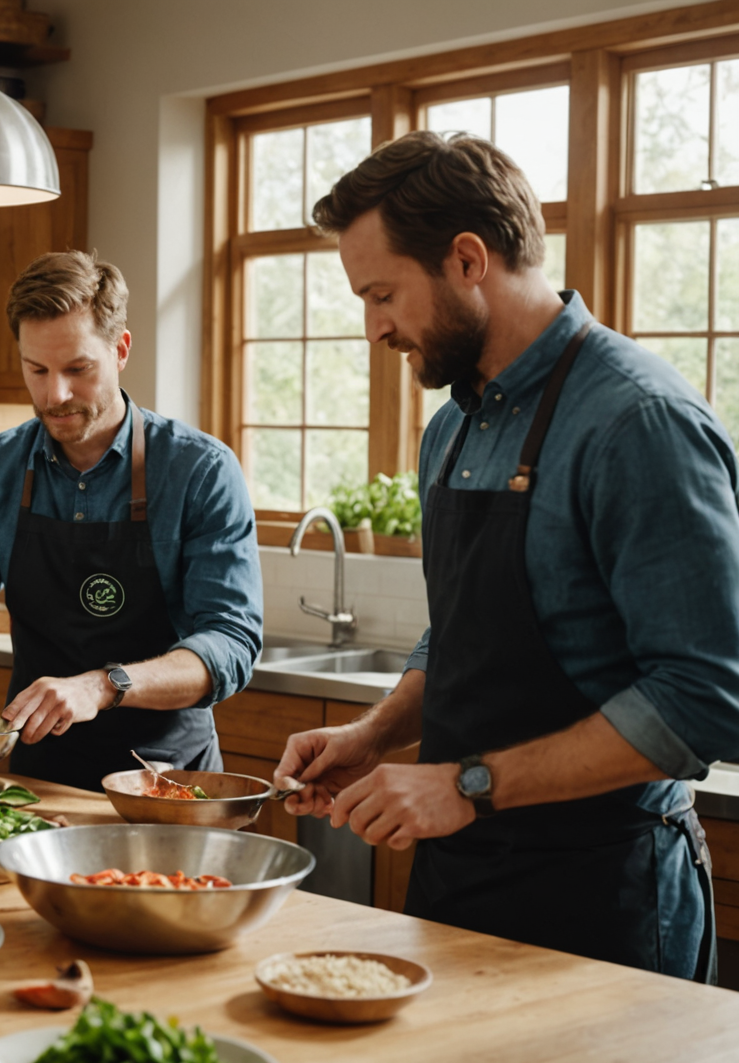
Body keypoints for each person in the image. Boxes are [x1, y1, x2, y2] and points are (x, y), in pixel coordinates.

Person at [279, 131, 739, 982]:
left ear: (466, 260)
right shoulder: (452, 430)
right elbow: (460, 632)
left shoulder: (638, 422)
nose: (374, 327)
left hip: (606, 896)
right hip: (460, 878)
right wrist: (377, 734)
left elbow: (705, 702)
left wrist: (466, 785)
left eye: (382, 294)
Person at [0, 251, 262, 790]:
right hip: (40, 779)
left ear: (120, 350)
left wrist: (103, 686)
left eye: (77, 369)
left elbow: (231, 643)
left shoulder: (200, 470)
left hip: (166, 780)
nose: (55, 395)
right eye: (37, 370)